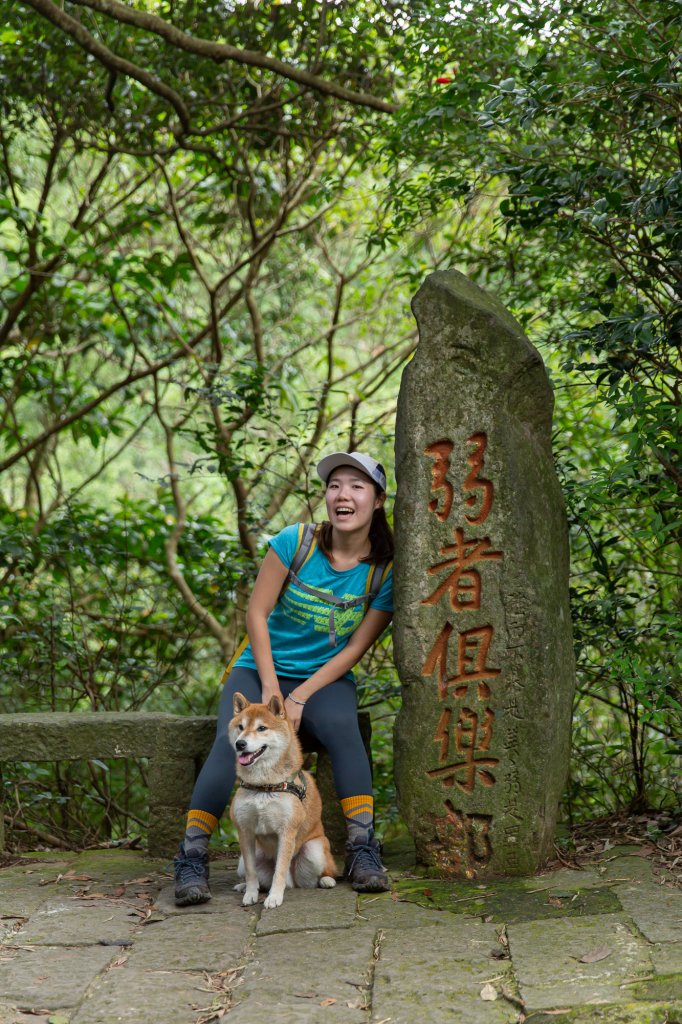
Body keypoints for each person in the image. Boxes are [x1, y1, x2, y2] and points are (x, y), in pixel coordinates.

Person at [174, 450, 394, 905]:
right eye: (334, 486)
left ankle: (362, 849)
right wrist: (273, 691)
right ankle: (191, 856)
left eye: (356, 486)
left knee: (344, 730)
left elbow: (356, 647)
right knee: (229, 742)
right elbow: (257, 612)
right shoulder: (297, 542)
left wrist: (302, 696)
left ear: (377, 500)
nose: (343, 495)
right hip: (260, 668)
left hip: (324, 678)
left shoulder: (382, 571)